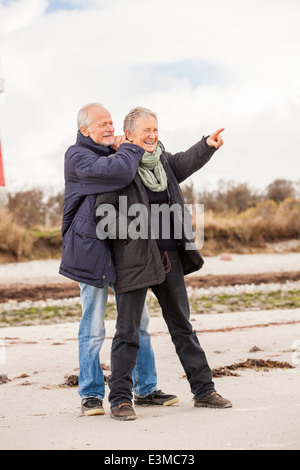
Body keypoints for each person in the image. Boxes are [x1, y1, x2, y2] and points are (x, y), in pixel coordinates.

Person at [95, 107, 232, 421]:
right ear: (128, 135)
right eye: (146, 130)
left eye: (155, 129)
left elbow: (185, 160)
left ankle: (204, 390)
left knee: (183, 327)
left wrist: (207, 145)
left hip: (169, 259)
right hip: (135, 261)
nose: (152, 135)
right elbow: (103, 215)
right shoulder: (118, 168)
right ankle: (120, 399)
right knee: (127, 331)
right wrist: (135, 234)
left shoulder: (164, 162)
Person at [59, 103, 178, 416]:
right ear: (85, 129)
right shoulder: (78, 156)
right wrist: (127, 146)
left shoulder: (109, 152)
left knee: (139, 322)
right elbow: (119, 172)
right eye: (102, 124)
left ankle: (147, 388)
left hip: (120, 251)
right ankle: (91, 396)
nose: (109, 127)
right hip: (91, 252)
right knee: (93, 325)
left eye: (111, 122)